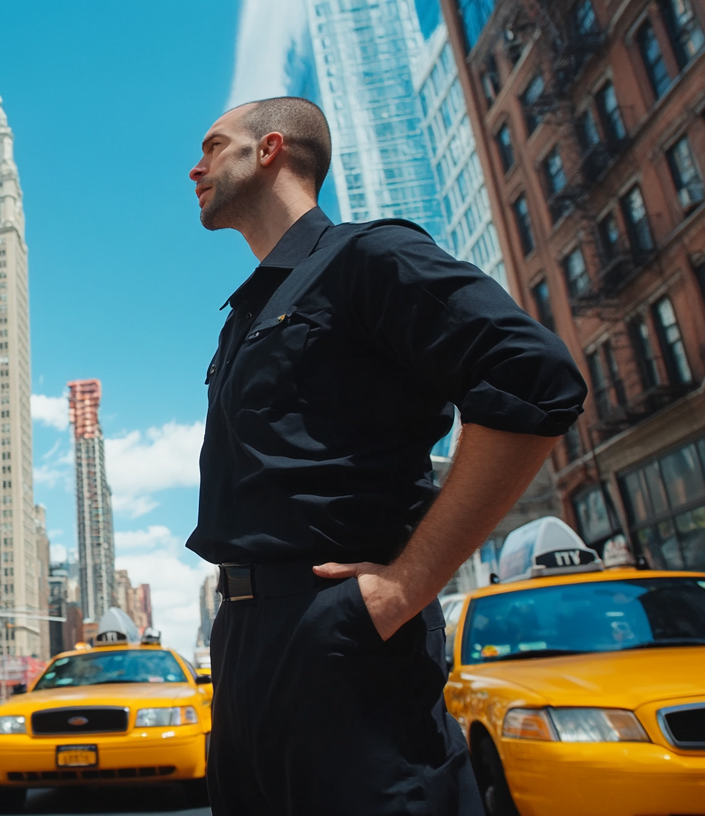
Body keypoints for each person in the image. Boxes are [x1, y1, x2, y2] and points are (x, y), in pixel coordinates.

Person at [185, 97, 587, 815]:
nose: (196, 166)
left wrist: (406, 586)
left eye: (214, 146)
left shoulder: (368, 256)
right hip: (243, 646)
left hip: (339, 632)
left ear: (270, 148)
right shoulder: (243, 316)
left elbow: (533, 377)